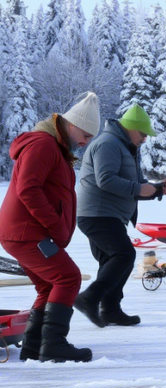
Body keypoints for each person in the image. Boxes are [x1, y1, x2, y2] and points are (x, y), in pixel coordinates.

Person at [0, 93, 100, 362]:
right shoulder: (43, 145)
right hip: (26, 233)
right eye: (86, 134)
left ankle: (33, 347)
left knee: (48, 286)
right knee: (69, 277)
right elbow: (27, 189)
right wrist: (55, 225)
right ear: (71, 124)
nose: (86, 141)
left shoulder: (54, 147)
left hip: (25, 232)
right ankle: (54, 344)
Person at [74, 104, 166, 327]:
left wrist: (156, 189)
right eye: (143, 134)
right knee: (124, 255)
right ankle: (88, 298)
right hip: (98, 213)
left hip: (105, 213)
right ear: (130, 128)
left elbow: (131, 186)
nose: (145, 139)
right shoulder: (108, 144)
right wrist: (139, 189)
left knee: (112, 260)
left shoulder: (123, 146)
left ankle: (109, 309)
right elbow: (106, 180)